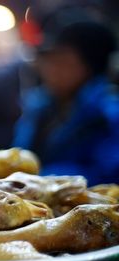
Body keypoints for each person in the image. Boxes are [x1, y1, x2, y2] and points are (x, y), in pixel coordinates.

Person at [13, 13, 119, 185]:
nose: (50, 70)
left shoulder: (109, 115)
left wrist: (41, 179)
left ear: (90, 67)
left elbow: (109, 177)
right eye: (48, 60)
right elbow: (19, 156)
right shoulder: (40, 106)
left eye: (63, 62)